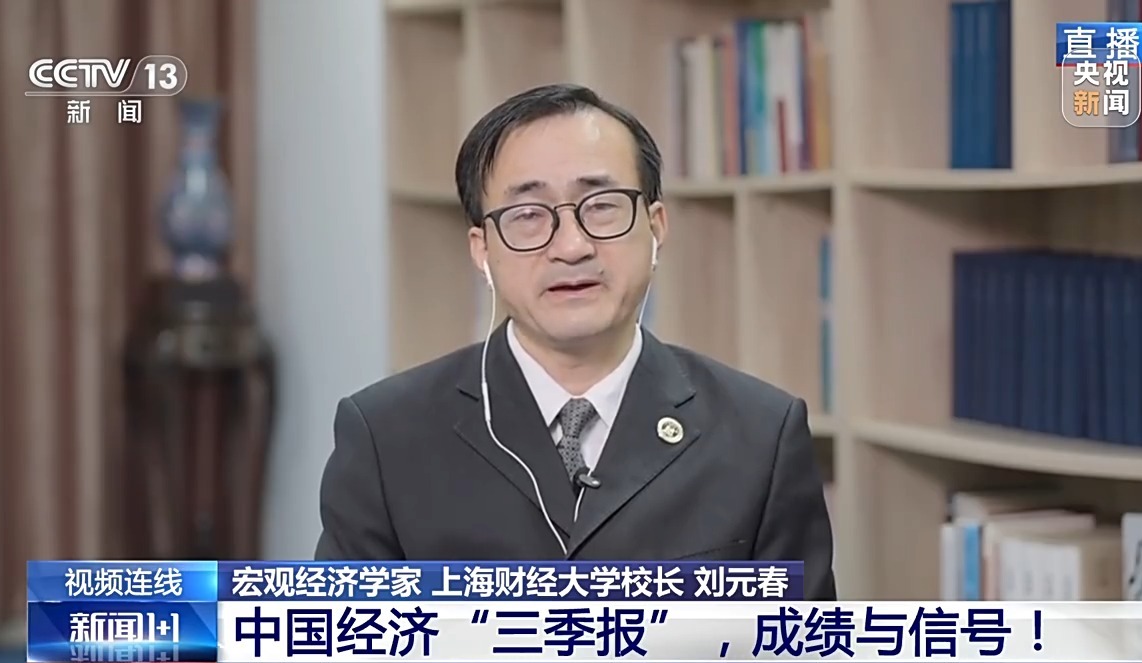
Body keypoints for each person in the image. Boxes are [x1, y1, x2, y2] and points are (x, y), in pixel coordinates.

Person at [314, 83, 836, 599]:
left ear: (655, 227)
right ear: (482, 249)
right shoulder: (385, 436)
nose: (571, 246)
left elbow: (803, 637)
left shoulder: (761, 436)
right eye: (527, 215)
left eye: (602, 205)